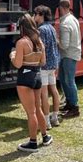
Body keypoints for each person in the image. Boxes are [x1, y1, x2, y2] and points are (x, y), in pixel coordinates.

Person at [10, 14, 52, 152]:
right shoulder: (39, 41)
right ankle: (45, 136)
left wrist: (12, 55)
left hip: (25, 77)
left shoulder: (22, 42)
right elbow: (43, 62)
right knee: (38, 108)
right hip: (37, 75)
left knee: (30, 112)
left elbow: (17, 64)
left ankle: (33, 142)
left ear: (22, 27)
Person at [34, 5, 61, 129]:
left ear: (41, 15)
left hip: (44, 65)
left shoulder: (41, 30)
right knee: (54, 91)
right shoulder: (51, 28)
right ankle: (55, 117)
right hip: (53, 63)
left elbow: (41, 47)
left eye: (36, 14)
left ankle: (46, 121)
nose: (34, 16)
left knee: (44, 93)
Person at [58, 0, 82, 119]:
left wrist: (56, 41)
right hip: (72, 53)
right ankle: (69, 103)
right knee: (63, 78)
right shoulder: (73, 19)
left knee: (69, 80)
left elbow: (65, 45)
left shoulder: (65, 23)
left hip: (68, 55)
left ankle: (74, 107)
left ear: (61, 8)